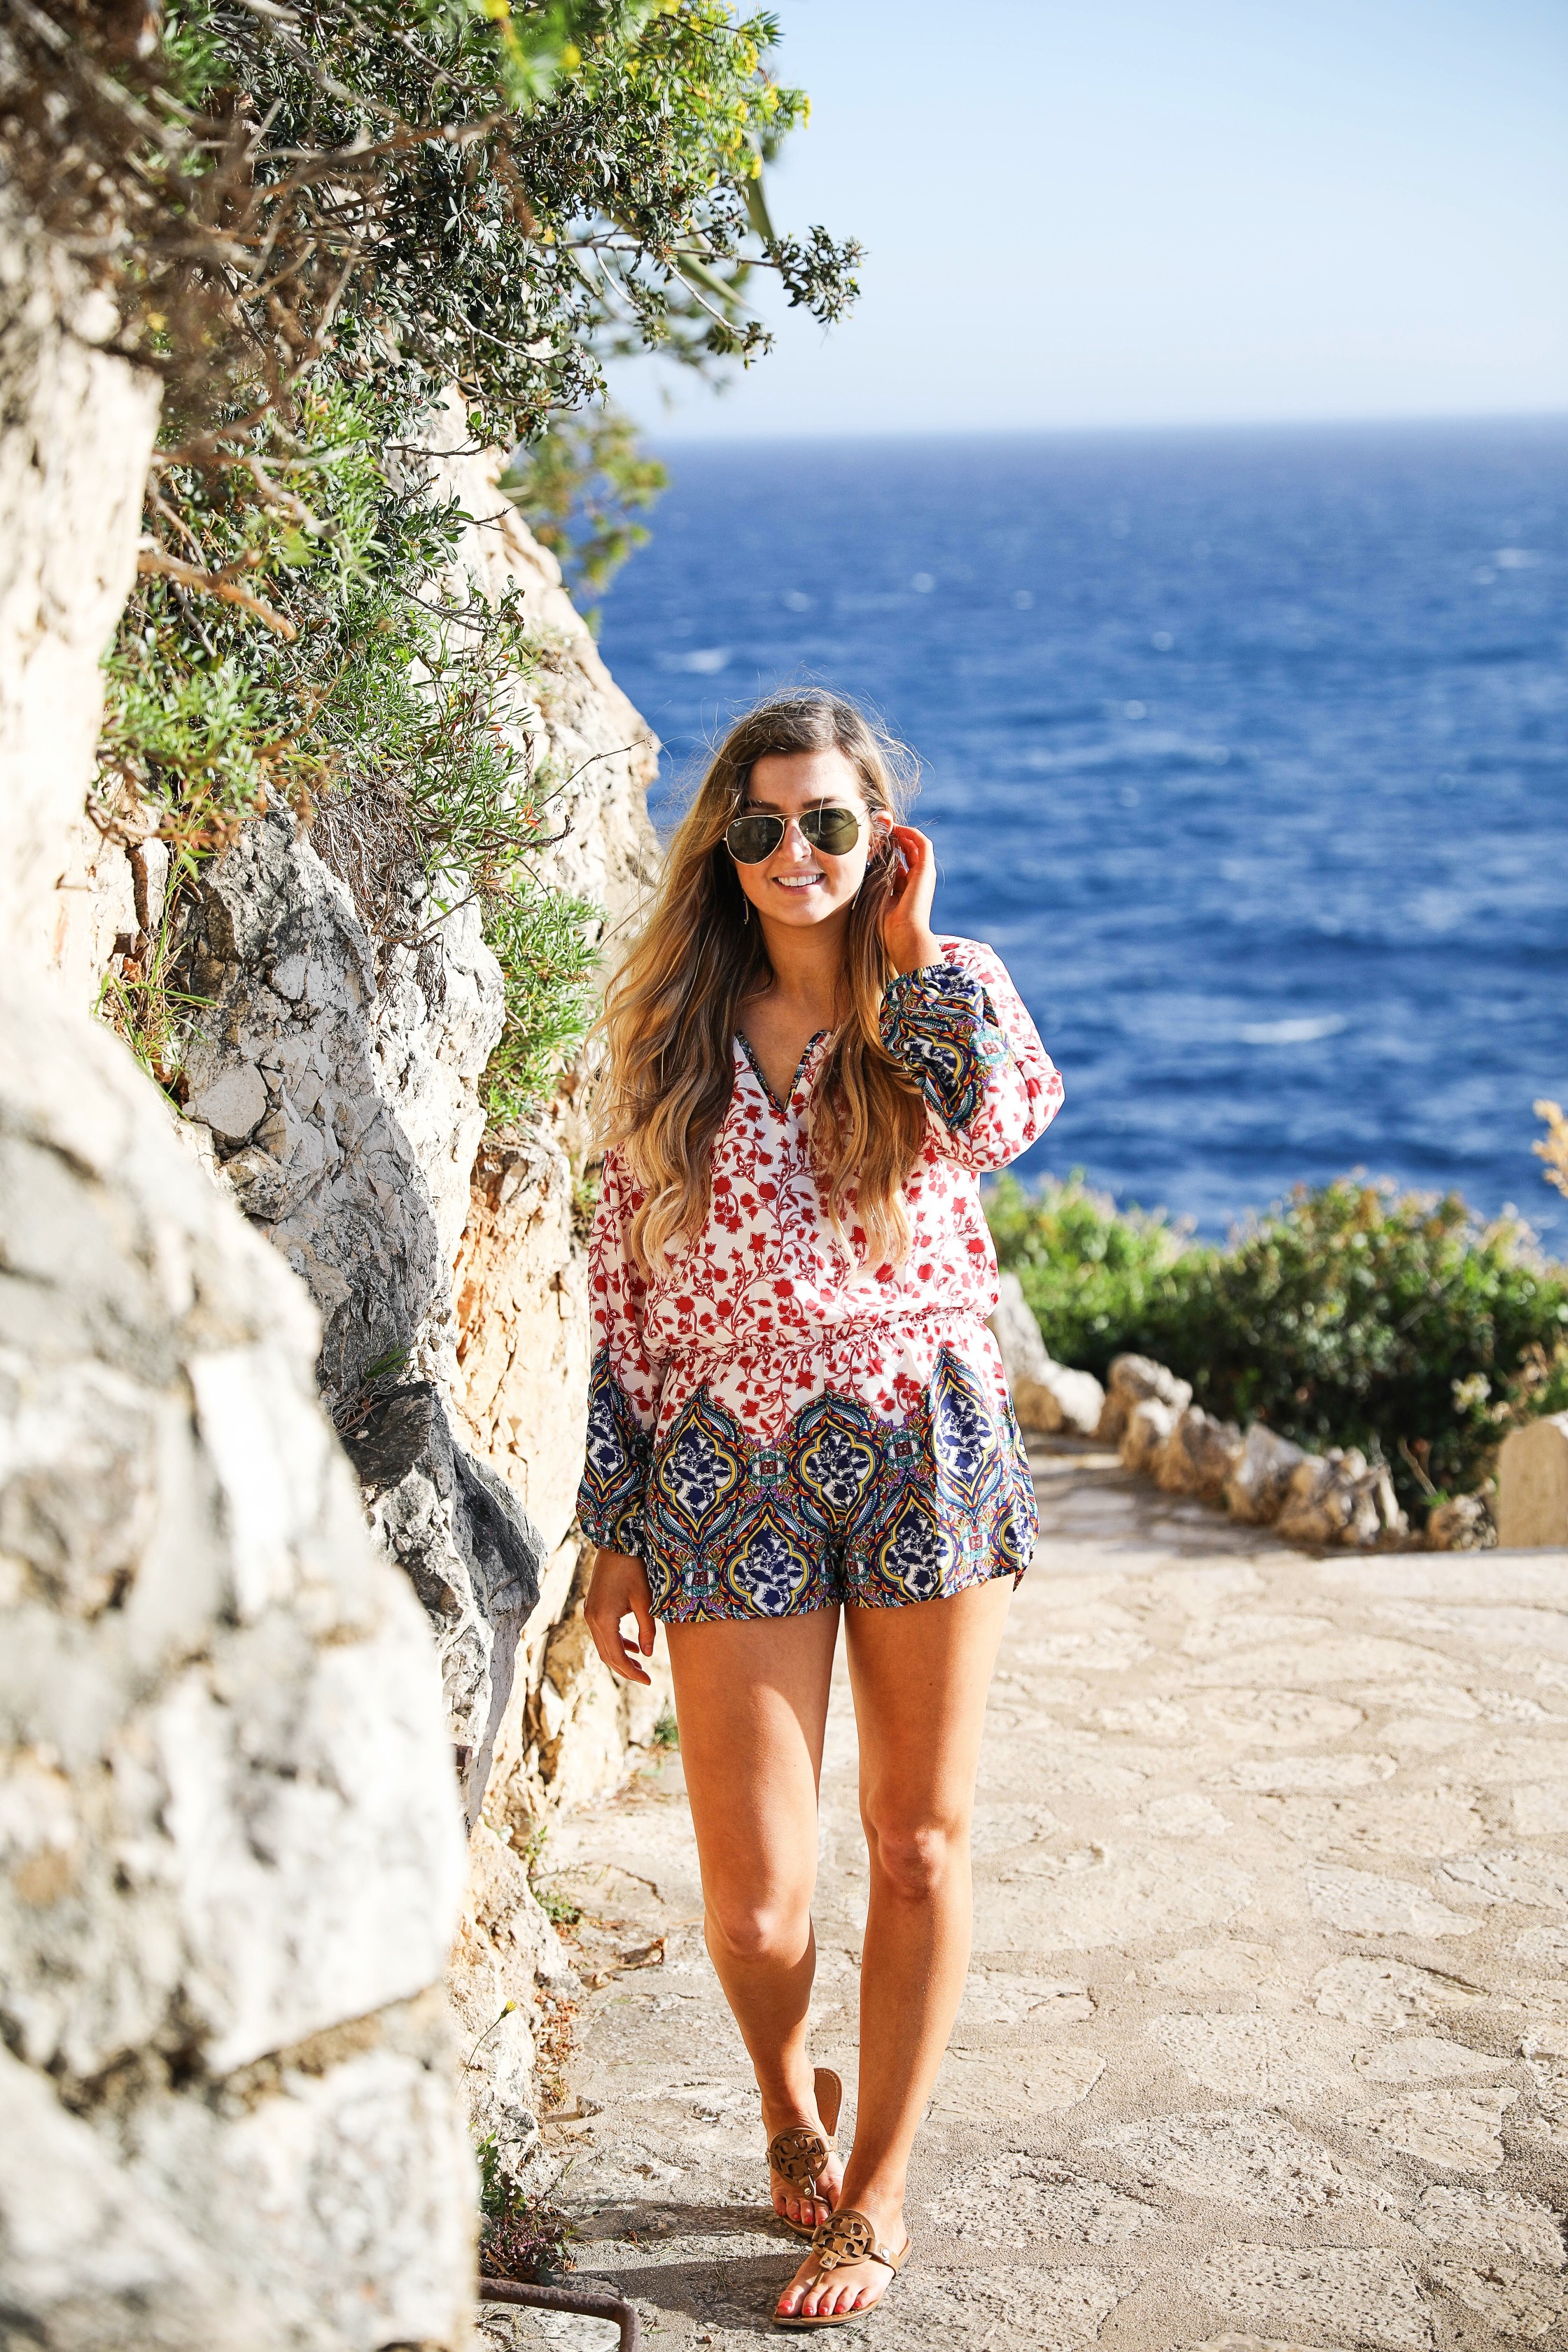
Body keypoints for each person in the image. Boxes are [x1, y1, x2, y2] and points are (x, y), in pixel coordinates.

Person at [577, 690, 1062, 2330]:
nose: (796, 853)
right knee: (755, 1897)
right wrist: (618, 1522)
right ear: (724, 842)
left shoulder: (945, 991)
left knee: (917, 1840)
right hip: (723, 1462)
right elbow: (618, 1297)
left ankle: (876, 2193)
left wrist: (914, 955)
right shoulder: (661, 1039)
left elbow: (1003, 1124)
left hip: (920, 1436)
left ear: (879, 842)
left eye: (830, 826)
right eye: (764, 825)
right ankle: (789, 2100)